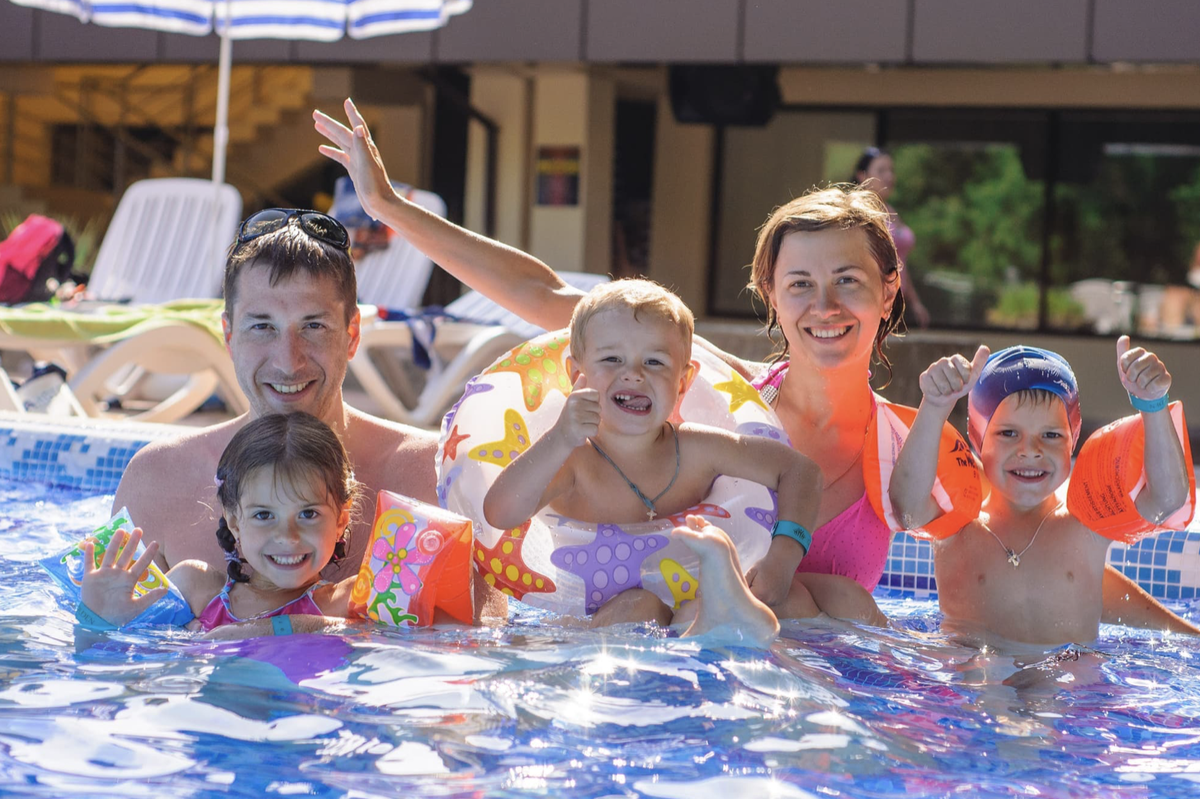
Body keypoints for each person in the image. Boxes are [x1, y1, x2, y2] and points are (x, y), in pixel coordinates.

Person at [110, 208, 507, 622]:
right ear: (228, 335)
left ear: (352, 335)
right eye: (262, 327)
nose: (288, 361)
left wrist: (274, 634)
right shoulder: (156, 481)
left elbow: (486, 645)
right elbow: (106, 657)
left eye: (313, 327)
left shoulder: (435, 477)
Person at [483, 279, 851, 633]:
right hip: (601, 625)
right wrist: (559, 438)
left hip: (695, 599)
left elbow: (800, 471)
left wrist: (783, 557)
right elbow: (500, 514)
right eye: (612, 359)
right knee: (640, 607)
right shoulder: (574, 462)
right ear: (576, 374)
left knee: (837, 597)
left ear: (683, 382)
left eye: (655, 362)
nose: (634, 374)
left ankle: (716, 620)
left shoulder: (697, 449)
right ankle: (717, 627)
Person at [888, 340, 1200, 647]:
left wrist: (1153, 404)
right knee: (984, 674)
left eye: (1051, 435)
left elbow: (1166, 500)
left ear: (1072, 444)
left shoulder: (1084, 529)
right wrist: (934, 406)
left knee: (1070, 673)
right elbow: (908, 510)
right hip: (979, 679)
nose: (1030, 450)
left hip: (1070, 677)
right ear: (978, 440)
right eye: (1009, 433)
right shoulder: (958, 529)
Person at [82, 413, 364, 637]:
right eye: (264, 515)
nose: (287, 536)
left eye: (308, 514)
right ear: (234, 522)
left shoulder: (347, 601)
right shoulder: (197, 591)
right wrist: (100, 618)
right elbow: (120, 667)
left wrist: (247, 633)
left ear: (341, 520)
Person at [853, 147, 931, 329]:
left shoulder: (890, 210)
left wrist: (915, 302)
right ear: (862, 176)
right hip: (870, 303)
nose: (889, 176)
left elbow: (900, 262)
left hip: (893, 304)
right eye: (881, 170)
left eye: (891, 170)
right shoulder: (858, 212)